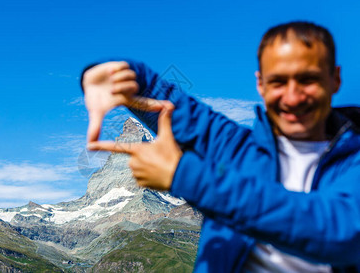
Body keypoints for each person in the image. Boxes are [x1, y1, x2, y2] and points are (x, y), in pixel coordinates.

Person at [81, 22, 360, 272]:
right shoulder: (233, 148)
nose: (293, 96)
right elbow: (165, 98)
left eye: (307, 79)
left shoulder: (354, 162)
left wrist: (185, 177)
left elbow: (342, 231)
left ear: (335, 78)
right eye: (278, 81)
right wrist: (111, 75)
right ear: (260, 84)